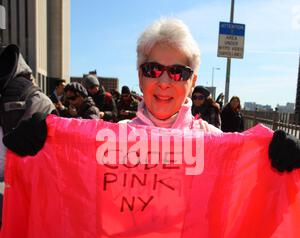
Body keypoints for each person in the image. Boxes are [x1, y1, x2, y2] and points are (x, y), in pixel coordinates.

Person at [2, 19, 300, 173]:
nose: (165, 82)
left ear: (193, 80)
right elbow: (71, 188)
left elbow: (248, 196)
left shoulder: (216, 144)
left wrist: (276, 161)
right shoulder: (110, 141)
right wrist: (43, 150)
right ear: (139, 75)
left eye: (179, 72)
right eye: (153, 69)